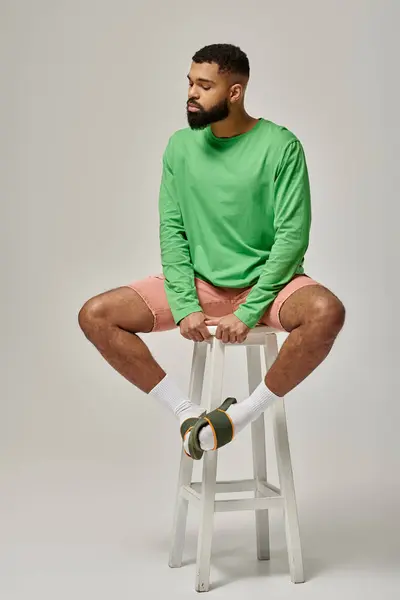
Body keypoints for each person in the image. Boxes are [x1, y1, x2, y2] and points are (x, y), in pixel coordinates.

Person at [78, 43, 345, 459]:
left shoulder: (281, 145)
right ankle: (187, 415)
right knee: (95, 315)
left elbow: (292, 236)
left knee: (327, 311)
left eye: (205, 85)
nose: (192, 93)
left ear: (234, 92)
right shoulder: (180, 147)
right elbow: (173, 231)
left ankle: (239, 418)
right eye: (190, 83)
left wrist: (250, 309)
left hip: (269, 286)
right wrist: (185, 305)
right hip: (199, 285)